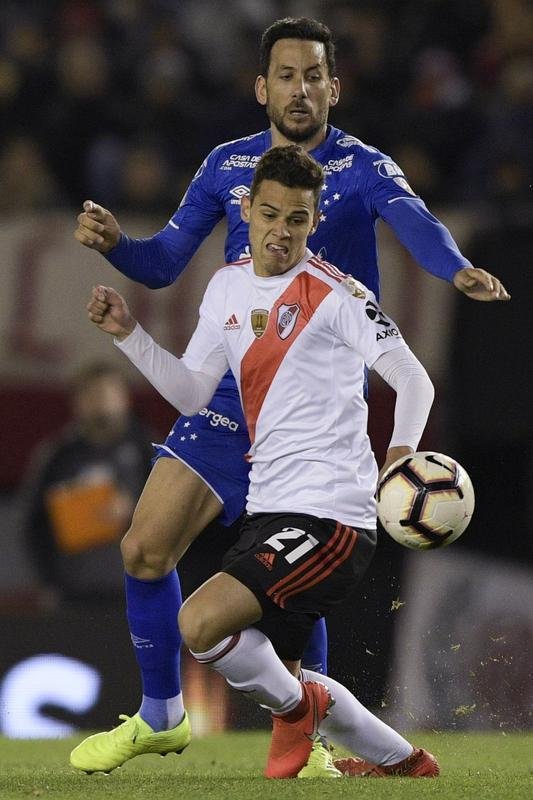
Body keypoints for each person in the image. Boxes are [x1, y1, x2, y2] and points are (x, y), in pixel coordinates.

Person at [71, 17, 509, 774]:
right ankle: (160, 717)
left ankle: (314, 739)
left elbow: (417, 222)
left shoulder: (363, 166)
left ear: (333, 86)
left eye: (313, 76)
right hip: (230, 394)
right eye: (285, 75)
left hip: (309, 403)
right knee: (143, 547)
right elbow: (164, 261)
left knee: (290, 598)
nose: (299, 89)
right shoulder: (225, 168)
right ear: (261, 86)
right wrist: (118, 248)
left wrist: (454, 268)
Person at [74, 145, 438, 780]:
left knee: (202, 623)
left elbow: (413, 379)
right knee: (259, 660)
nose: (281, 231)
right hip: (272, 510)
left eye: (297, 219)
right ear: (246, 210)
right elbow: (191, 393)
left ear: (314, 220)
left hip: (332, 517)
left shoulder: (335, 293)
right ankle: (405, 762)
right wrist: (129, 333)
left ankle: (297, 710)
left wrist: (400, 456)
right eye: (270, 214)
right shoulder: (227, 286)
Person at [21, 361, 152, 603]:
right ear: (76, 402)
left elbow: (181, 516)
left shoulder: (151, 451)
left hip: (138, 588)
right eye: (91, 394)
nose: (101, 402)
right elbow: (34, 525)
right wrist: (48, 581)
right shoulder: (57, 456)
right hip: (74, 591)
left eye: (108, 393)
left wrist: (135, 510)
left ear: (126, 399)